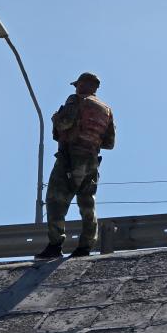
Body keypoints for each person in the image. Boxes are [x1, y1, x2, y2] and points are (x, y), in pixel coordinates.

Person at [35, 72, 115, 259]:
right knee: (87, 204)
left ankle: (55, 245)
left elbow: (65, 123)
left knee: (55, 201)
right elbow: (109, 143)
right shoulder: (106, 110)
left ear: (82, 85)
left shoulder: (75, 99)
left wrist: (56, 118)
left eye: (77, 84)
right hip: (91, 161)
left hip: (70, 159)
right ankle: (85, 247)